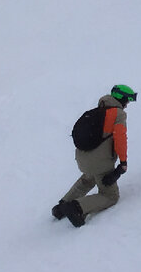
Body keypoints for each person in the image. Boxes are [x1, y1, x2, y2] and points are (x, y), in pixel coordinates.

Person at [53, 84, 136, 228]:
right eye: (127, 100)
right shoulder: (118, 114)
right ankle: (77, 208)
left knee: (88, 178)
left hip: (82, 159)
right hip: (100, 163)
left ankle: (61, 207)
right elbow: (120, 139)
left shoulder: (98, 111)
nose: (127, 105)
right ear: (122, 99)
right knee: (110, 196)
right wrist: (123, 162)